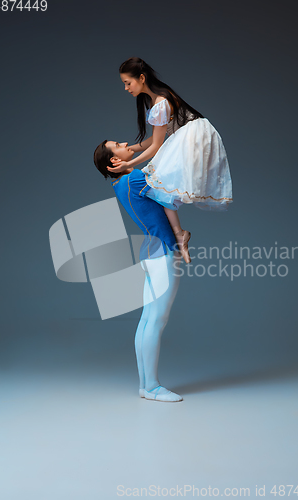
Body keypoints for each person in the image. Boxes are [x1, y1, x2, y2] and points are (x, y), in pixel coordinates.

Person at [106, 56, 233, 256]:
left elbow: (156, 146)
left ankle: (179, 234)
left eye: (127, 83)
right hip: (190, 135)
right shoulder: (156, 99)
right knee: (159, 186)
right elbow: (156, 137)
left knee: (157, 181)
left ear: (141, 78)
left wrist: (128, 163)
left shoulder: (160, 102)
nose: (126, 88)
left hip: (193, 137)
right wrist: (130, 149)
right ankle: (179, 234)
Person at [94, 139, 184, 402]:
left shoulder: (121, 184)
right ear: (114, 161)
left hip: (149, 251)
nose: (125, 143)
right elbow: (169, 199)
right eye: (118, 144)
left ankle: (146, 385)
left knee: (148, 319)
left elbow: (147, 147)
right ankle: (153, 387)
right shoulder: (134, 178)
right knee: (156, 320)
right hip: (163, 252)